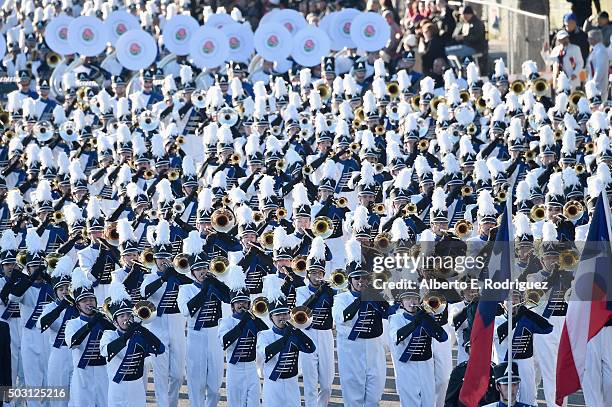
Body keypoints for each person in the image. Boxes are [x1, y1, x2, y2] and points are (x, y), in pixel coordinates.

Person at [100, 279, 165, 407]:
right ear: (115, 322)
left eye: (128, 315)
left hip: (137, 387)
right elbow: (105, 351)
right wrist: (126, 337)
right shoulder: (109, 334)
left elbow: (160, 349)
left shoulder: (139, 334)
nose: (126, 318)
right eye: (121, 316)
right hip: (118, 387)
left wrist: (142, 330)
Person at [388, 288, 448, 406]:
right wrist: (416, 321)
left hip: (426, 366)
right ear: (401, 303)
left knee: (429, 402)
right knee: (410, 403)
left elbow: (443, 337)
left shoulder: (426, 318)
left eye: (415, 298)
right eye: (407, 299)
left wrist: (429, 320)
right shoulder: (396, 318)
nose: (412, 302)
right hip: (407, 367)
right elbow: (397, 337)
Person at [586, 29, 610, 103]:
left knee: (599, 105)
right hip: (593, 84)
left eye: (589, 38)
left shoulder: (600, 50)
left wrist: (594, 83)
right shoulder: (596, 49)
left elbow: (600, 69)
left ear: (594, 39)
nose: (587, 40)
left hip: (598, 85)